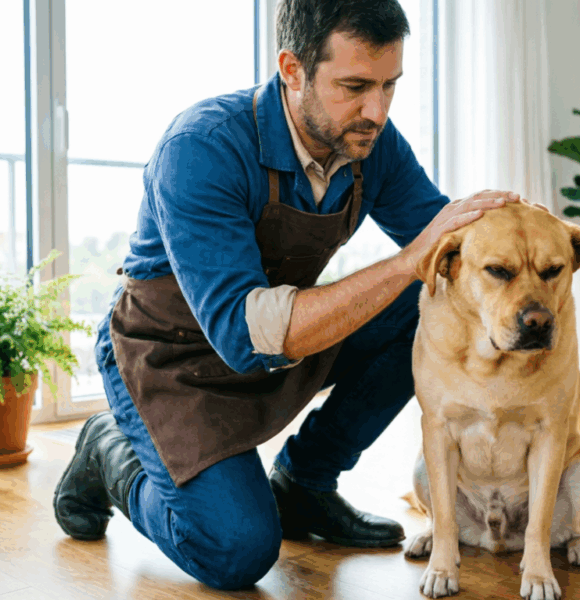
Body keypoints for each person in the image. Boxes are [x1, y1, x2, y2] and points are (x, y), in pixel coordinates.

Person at [53, 0, 521, 590]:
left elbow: (452, 244)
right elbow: (247, 335)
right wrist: (409, 258)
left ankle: (306, 481)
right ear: (292, 69)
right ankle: (107, 451)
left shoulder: (369, 142)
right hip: (169, 361)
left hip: (282, 337)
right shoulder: (202, 147)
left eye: (389, 87)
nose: (375, 111)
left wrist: (532, 246)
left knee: (429, 297)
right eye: (354, 86)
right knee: (236, 551)